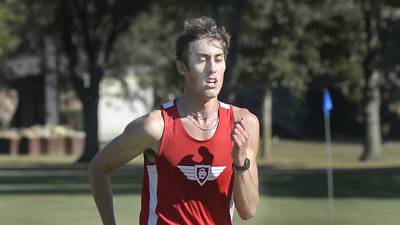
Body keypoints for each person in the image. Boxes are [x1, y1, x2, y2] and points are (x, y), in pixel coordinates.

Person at [89, 16, 260, 225]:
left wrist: (240, 160)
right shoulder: (155, 127)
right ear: (182, 68)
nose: (212, 68)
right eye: (202, 59)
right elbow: (98, 168)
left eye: (218, 58)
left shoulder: (244, 123)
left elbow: (248, 210)